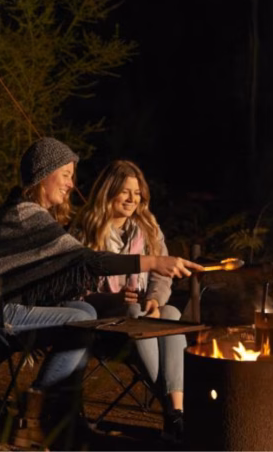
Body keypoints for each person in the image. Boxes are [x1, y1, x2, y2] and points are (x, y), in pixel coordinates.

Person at [0, 138, 200, 448]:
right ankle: (39, 418)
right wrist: (153, 262)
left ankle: (62, 413)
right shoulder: (26, 215)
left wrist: (152, 290)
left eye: (72, 176)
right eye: (66, 174)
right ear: (44, 173)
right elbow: (86, 262)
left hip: (7, 305)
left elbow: (60, 277)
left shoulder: (31, 213)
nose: (71, 184)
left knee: (86, 315)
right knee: (81, 319)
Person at [73, 159, 187, 442]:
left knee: (170, 311)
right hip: (103, 325)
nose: (132, 199)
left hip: (144, 316)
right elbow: (72, 288)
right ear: (108, 191)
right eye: (125, 191)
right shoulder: (84, 230)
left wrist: (156, 300)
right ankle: (174, 413)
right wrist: (111, 298)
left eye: (137, 193)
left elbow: (162, 277)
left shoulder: (147, 228)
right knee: (133, 309)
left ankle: (176, 412)